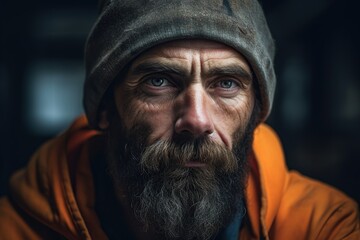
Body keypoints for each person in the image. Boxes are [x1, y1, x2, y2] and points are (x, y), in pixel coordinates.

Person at [0, 0, 359, 239]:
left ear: (256, 112)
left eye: (227, 83)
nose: (197, 120)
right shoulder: (16, 230)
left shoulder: (323, 226)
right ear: (106, 108)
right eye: (158, 81)